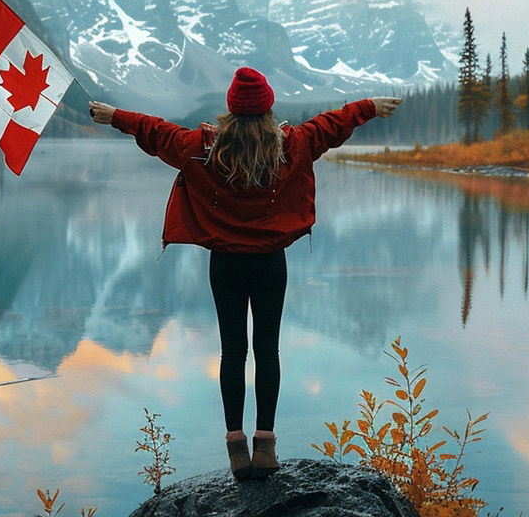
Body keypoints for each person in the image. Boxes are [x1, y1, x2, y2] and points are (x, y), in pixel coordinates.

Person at [88, 67, 401, 482]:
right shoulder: (293, 144)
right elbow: (332, 125)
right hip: (270, 261)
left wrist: (115, 116)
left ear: (231, 110)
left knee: (233, 352)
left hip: (226, 264)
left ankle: (236, 445)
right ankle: (266, 444)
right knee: (267, 350)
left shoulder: (201, 148)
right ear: (268, 108)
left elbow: (156, 131)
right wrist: (369, 108)